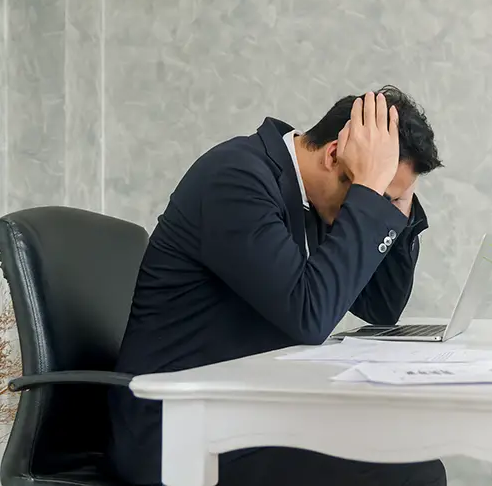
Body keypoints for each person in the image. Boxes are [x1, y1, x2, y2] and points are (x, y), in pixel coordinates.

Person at [107, 86, 446, 486]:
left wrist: (397, 203)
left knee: (407, 452)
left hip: (247, 417)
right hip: (178, 434)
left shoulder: (316, 198)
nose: (377, 206)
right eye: (379, 195)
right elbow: (308, 316)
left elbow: (381, 306)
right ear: (335, 154)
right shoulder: (236, 178)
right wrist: (370, 191)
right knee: (410, 475)